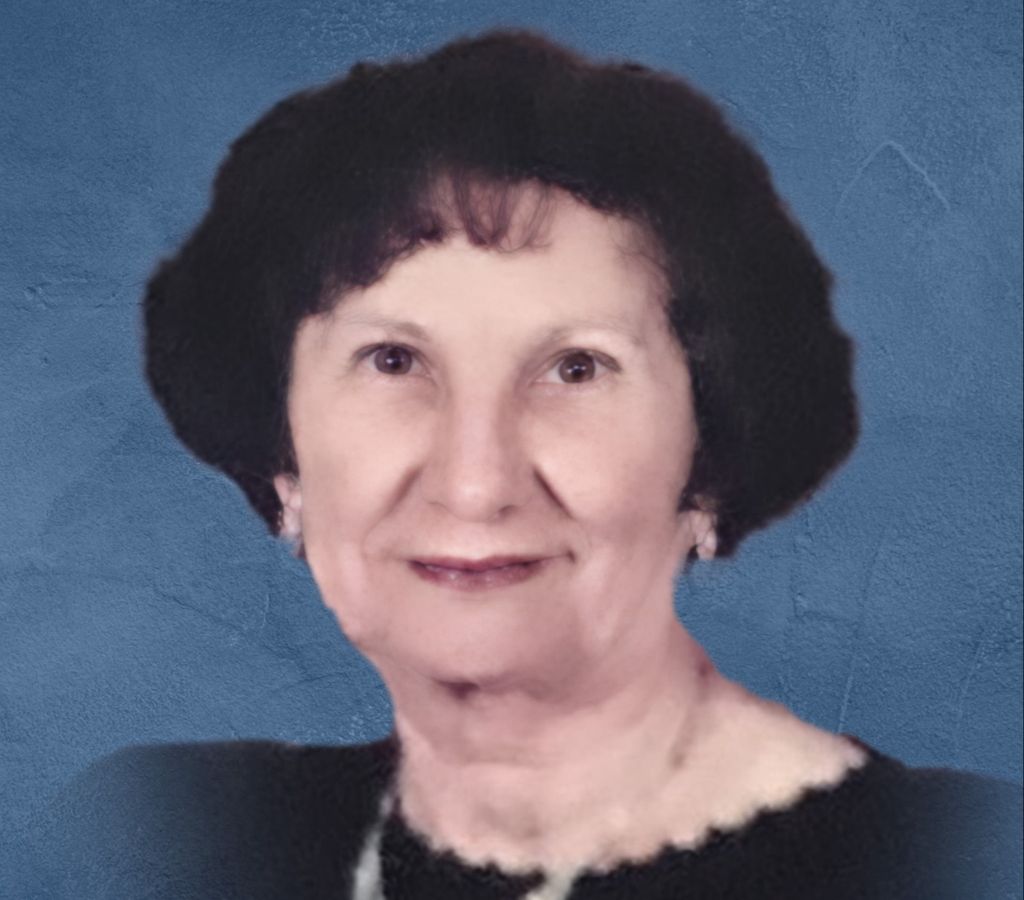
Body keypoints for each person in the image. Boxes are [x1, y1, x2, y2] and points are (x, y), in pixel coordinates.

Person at [45, 27, 1020, 900]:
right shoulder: (156, 839)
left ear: (708, 464)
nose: (475, 482)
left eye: (574, 369)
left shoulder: (950, 860)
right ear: (284, 463)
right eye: (393, 361)